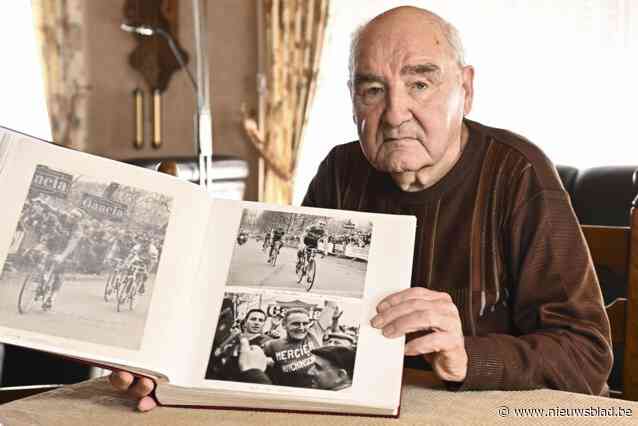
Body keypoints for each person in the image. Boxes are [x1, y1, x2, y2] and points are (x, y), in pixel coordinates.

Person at [110, 6, 612, 410]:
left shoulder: (519, 173)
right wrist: (173, 370)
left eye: (420, 83)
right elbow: (287, 326)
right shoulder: (340, 170)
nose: (395, 114)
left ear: (467, 88)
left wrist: (468, 357)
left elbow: (588, 358)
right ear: (353, 101)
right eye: (374, 90)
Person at [262, 302, 338, 388]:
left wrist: (332, 306)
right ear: (284, 325)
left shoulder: (315, 333)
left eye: (305, 323)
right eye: (296, 324)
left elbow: (331, 305)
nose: (301, 328)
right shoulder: (272, 345)